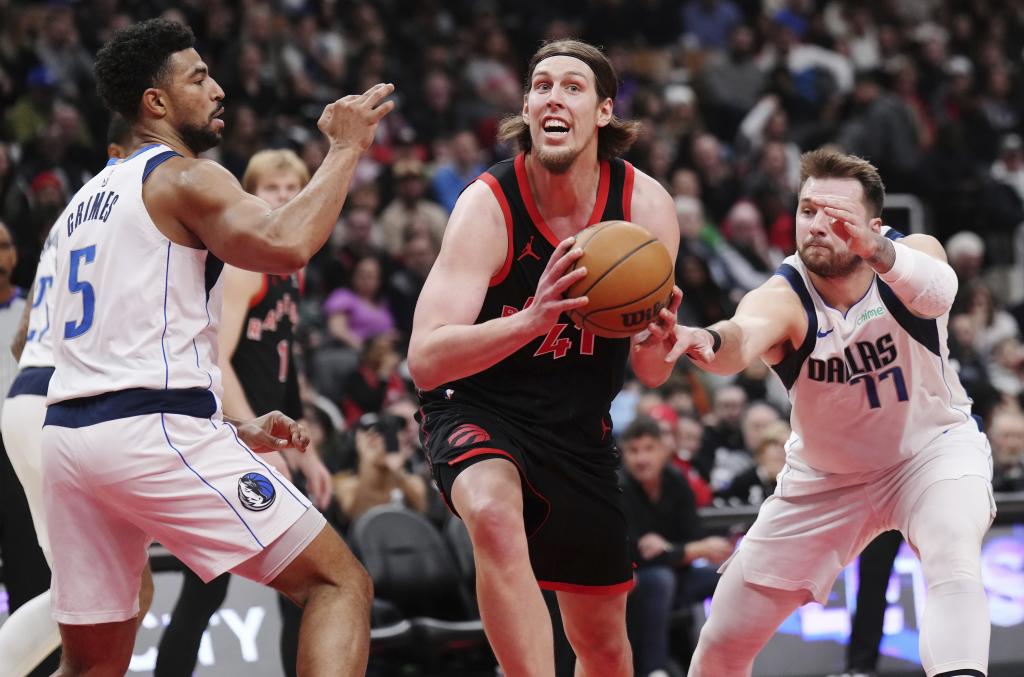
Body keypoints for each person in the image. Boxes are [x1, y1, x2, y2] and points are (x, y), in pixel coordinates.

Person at [39, 19, 393, 676]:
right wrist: (346, 148)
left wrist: (233, 426)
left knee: (91, 665)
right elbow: (286, 242)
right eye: (199, 78)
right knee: (338, 584)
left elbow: (121, 343)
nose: (218, 89)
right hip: (152, 430)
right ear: (156, 103)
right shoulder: (185, 177)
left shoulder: (84, 204)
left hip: (68, 441)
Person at [409, 39, 681, 677]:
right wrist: (534, 319)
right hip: (479, 405)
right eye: (540, 85)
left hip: (579, 429)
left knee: (607, 652)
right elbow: (425, 359)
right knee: (495, 516)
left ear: (605, 111)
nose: (552, 96)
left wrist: (661, 344)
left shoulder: (646, 209)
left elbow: (648, 371)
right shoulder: (489, 205)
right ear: (527, 108)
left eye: (573, 86)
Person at [668, 149, 994, 677]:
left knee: (953, 552)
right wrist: (705, 339)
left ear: (874, 225)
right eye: (806, 211)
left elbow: (939, 294)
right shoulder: (785, 294)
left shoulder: (912, 257)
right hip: (826, 480)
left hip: (929, 454)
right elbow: (742, 334)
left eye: (835, 215)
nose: (817, 226)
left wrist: (879, 253)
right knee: (723, 640)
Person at [154, 149, 333, 677]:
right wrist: (258, 446)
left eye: (291, 187)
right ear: (250, 196)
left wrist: (309, 453)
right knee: (217, 590)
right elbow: (220, 362)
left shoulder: (289, 269)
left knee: (280, 591)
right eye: (271, 188)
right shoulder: (244, 267)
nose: (282, 197)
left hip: (265, 440)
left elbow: (285, 364)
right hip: (234, 440)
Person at [0, 116, 155, 677]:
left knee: (106, 591)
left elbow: (22, 337)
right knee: (109, 593)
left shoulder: (72, 215)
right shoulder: (137, 205)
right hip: (64, 403)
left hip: (29, 395)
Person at [620, 416, 734, 677]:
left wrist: (670, 549)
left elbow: (692, 536)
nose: (642, 458)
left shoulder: (677, 481)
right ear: (623, 454)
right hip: (636, 584)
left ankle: (725, 663)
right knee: (660, 579)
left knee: (728, 577)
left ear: (664, 450)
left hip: (677, 576)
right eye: (634, 451)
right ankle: (654, 669)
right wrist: (688, 550)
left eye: (649, 449)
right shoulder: (619, 487)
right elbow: (637, 556)